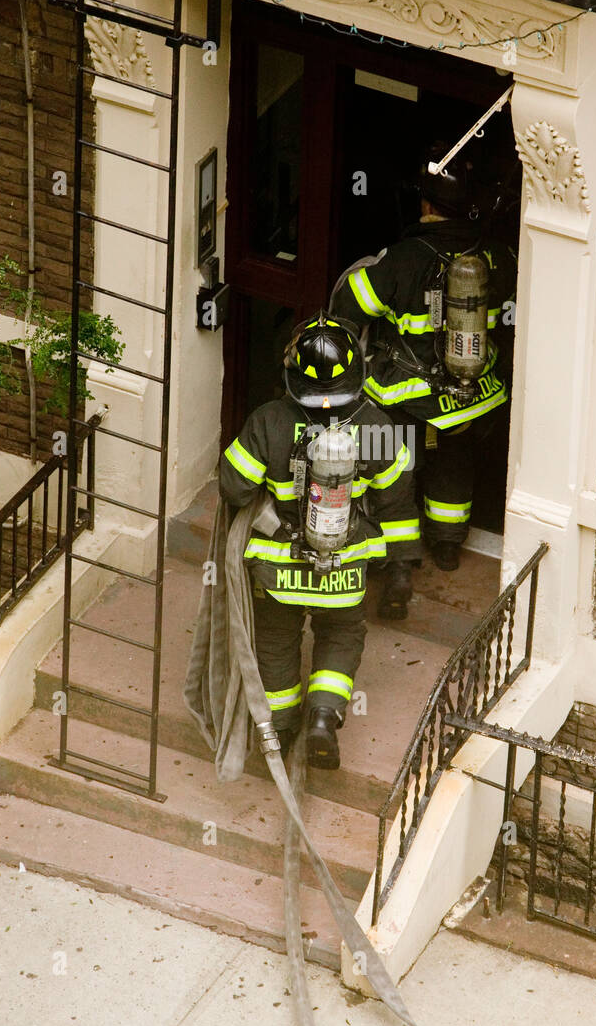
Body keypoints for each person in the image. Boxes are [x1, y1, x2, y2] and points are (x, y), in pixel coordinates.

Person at [220, 311, 419, 770]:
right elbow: (397, 499)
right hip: (345, 568)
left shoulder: (268, 420)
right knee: (341, 634)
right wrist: (400, 565)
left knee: (275, 639)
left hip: (277, 568)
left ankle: (279, 729)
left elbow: (233, 487)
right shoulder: (377, 427)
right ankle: (324, 719)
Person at [331, 143, 517, 612]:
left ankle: (397, 564)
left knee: (393, 472)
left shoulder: (406, 257)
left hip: (400, 397)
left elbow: (349, 307)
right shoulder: (496, 256)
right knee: (454, 465)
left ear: (428, 205)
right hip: (471, 396)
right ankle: (448, 547)